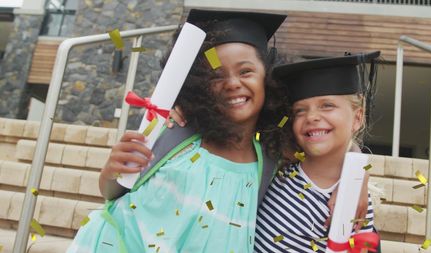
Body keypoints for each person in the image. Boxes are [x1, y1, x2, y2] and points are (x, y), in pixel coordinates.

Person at [67, 9, 288, 253]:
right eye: (216, 76)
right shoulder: (175, 130)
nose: (233, 83)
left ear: (267, 78)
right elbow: (113, 192)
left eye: (246, 71)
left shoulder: (267, 159)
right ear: (199, 85)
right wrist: (111, 171)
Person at [254, 51, 381, 253]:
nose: (312, 116)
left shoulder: (355, 200)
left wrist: (356, 177)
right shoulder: (277, 168)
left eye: (327, 106)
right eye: (300, 111)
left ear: (357, 118)